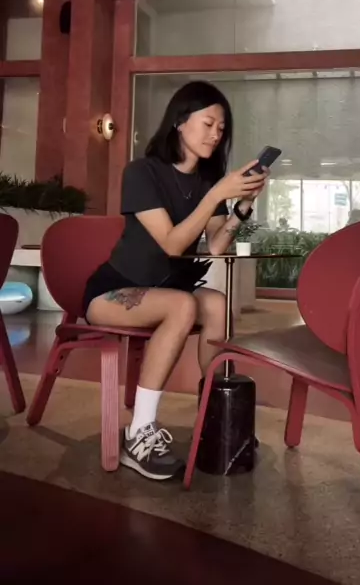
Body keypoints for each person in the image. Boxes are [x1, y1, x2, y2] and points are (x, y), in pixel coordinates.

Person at [83, 81, 267, 480]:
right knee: (183, 304)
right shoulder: (142, 172)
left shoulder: (207, 181)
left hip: (169, 291)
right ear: (180, 122)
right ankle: (139, 433)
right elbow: (171, 243)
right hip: (112, 291)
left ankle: (218, 419)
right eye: (208, 123)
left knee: (216, 303)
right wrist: (215, 195)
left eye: (222, 128)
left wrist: (242, 206)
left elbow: (215, 246)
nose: (216, 134)